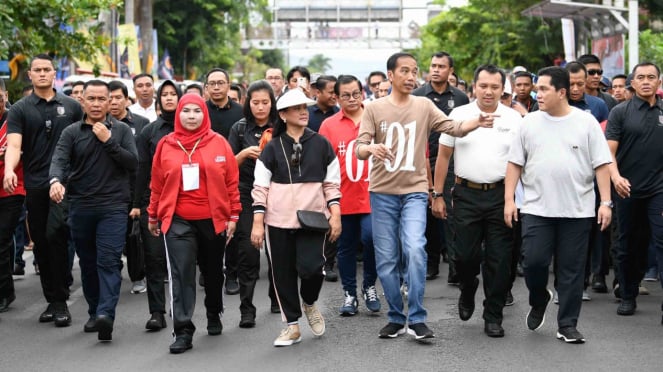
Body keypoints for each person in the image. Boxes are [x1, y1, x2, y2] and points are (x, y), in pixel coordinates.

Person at [355, 52, 496, 340]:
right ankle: (396, 316)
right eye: (404, 71)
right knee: (386, 260)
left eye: (414, 71)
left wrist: (476, 122)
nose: (411, 76)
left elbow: (452, 127)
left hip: (415, 193)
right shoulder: (373, 108)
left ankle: (417, 317)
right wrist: (371, 149)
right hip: (382, 193)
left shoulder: (424, 105)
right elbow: (359, 147)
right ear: (390, 76)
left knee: (416, 250)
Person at [504, 66, 612, 344]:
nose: (537, 93)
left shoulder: (585, 122)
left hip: (577, 211)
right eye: (537, 88)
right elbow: (515, 163)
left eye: (543, 89)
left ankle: (567, 325)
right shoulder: (528, 122)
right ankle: (539, 297)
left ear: (562, 92)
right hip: (537, 209)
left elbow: (601, 164)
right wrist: (508, 201)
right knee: (535, 263)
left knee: (572, 272)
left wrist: (606, 203)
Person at [433, 64, 522, 338]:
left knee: (499, 259)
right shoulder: (459, 115)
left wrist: (513, 199)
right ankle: (468, 286)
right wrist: (437, 194)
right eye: (483, 86)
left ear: (503, 89)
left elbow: (519, 162)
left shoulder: (514, 119)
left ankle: (493, 315)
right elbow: (444, 156)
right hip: (466, 194)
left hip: (501, 195)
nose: (489, 91)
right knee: (465, 256)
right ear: (474, 87)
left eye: (495, 87)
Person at [148, 93, 241, 354]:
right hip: (178, 220)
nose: (191, 116)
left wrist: (234, 216)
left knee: (212, 272)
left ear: (204, 114)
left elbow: (232, 184)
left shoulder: (219, 143)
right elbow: (156, 184)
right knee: (181, 274)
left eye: (196, 111)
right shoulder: (166, 145)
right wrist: (153, 215)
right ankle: (183, 330)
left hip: (213, 220)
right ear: (178, 114)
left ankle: (214, 311)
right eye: (186, 111)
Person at [250, 88, 341, 347]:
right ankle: (292, 326)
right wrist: (258, 223)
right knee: (282, 274)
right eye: (297, 108)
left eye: (305, 107)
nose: (304, 112)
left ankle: (310, 302)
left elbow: (332, 184)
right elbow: (260, 188)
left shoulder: (322, 143)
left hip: (313, 219)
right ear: (283, 114)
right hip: (277, 221)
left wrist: (336, 215)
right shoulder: (271, 147)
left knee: (314, 268)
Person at [49, 80, 138, 341]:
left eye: (102, 99)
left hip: (113, 207)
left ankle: (105, 315)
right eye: (92, 99)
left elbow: (133, 163)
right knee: (88, 264)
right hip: (81, 206)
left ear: (110, 102)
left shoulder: (120, 130)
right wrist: (55, 182)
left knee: (108, 261)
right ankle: (93, 311)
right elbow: (59, 161)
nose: (97, 104)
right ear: (83, 102)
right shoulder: (71, 132)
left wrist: (108, 141)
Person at [4, 53, 83, 327]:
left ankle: (61, 302)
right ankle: (52, 298)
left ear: (53, 73)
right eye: (36, 70)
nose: (41, 74)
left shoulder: (72, 106)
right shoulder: (20, 109)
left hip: (66, 184)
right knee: (40, 242)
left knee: (56, 236)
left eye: (46, 69)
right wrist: (9, 169)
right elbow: (14, 145)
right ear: (30, 74)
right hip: (35, 185)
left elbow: (82, 142)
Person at [319, 75, 381, 316]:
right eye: (346, 95)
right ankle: (350, 294)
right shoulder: (329, 125)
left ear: (362, 93)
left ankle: (369, 286)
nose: (352, 99)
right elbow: (323, 164)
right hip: (342, 198)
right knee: (344, 247)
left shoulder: (375, 117)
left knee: (372, 240)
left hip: (374, 195)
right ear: (337, 97)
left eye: (356, 93)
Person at [606, 62, 663, 321]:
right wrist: (616, 178)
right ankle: (628, 294)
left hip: (658, 190)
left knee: (660, 242)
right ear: (633, 82)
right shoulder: (620, 112)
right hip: (627, 189)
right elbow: (609, 153)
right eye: (641, 77)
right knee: (629, 244)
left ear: (659, 82)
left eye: (652, 77)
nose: (647, 81)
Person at [412, 52, 470, 285]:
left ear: (450, 70)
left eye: (441, 66)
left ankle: (455, 266)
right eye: (433, 66)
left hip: (451, 162)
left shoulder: (460, 97)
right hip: (422, 160)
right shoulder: (417, 96)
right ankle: (431, 263)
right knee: (426, 215)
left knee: (449, 214)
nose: (436, 70)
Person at [131, 80, 182, 331]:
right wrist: (138, 204)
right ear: (159, 99)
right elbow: (141, 170)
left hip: (186, 205)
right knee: (154, 260)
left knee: (181, 261)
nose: (170, 98)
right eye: (165, 94)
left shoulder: (192, 129)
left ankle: (182, 309)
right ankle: (157, 312)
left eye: (174, 94)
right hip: (155, 204)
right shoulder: (149, 132)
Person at [227, 80, 279, 327]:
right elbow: (226, 168)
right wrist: (243, 154)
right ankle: (247, 309)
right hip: (246, 192)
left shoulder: (281, 126)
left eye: (265, 102)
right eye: (255, 102)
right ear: (248, 103)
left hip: (278, 193)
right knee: (248, 252)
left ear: (273, 103)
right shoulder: (239, 128)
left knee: (277, 251)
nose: (260, 107)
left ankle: (277, 297)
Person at [0, 81, 25, 312]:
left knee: (1, 240)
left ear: (5, 95)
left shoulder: (14, 119)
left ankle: (5, 292)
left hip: (12, 189)